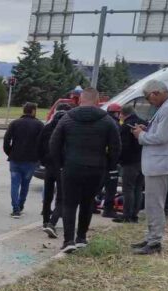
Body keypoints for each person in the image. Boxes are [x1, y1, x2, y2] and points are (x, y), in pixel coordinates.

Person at [50, 88, 121, 253]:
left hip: (71, 166)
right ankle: (81, 237)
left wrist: (60, 163)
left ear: (81, 100)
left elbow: (54, 143)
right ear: (97, 101)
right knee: (88, 202)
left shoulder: (67, 118)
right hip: (96, 168)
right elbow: (116, 147)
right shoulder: (107, 121)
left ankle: (68, 240)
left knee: (69, 203)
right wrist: (109, 166)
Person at [131, 79, 168, 255]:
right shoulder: (166, 108)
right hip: (158, 163)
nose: (150, 102)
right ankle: (151, 237)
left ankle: (155, 241)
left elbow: (161, 138)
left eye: (149, 98)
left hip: (160, 164)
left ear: (156, 92)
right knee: (151, 204)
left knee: (154, 205)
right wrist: (146, 129)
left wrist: (141, 135)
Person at [3, 102, 44, 218]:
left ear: (23, 110)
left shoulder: (15, 123)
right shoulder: (40, 125)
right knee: (25, 185)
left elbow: (6, 140)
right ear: (33, 111)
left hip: (15, 159)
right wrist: (39, 156)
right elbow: (43, 143)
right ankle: (20, 205)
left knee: (14, 184)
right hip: (31, 160)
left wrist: (9, 152)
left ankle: (15, 209)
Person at [38, 102, 71, 238]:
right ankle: (53, 222)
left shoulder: (47, 127)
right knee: (62, 197)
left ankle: (45, 220)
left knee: (48, 194)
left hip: (49, 166)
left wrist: (44, 161)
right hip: (62, 166)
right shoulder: (68, 128)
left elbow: (39, 145)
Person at [114, 104, 146, 223]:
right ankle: (134, 215)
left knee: (128, 189)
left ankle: (126, 216)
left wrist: (120, 159)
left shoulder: (126, 126)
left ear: (123, 114)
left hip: (130, 162)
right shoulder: (143, 123)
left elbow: (124, 146)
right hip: (143, 160)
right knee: (138, 188)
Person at [100, 103, 123, 218]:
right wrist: (115, 160)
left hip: (100, 159)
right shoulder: (115, 125)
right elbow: (116, 145)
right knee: (111, 187)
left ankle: (93, 205)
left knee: (98, 185)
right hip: (111, 161)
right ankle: (108, 209)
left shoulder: (102, 122)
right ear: (116, 113)